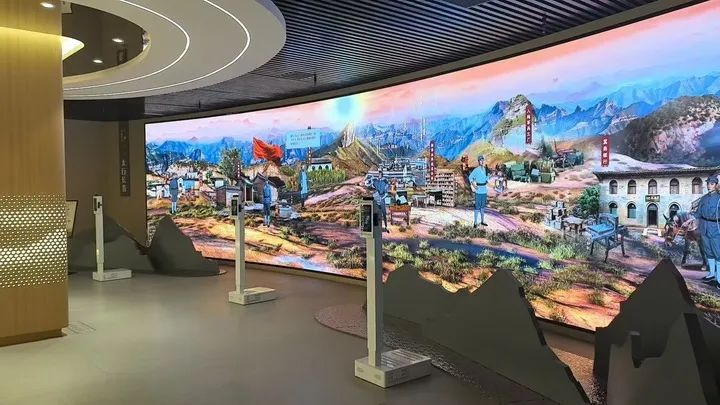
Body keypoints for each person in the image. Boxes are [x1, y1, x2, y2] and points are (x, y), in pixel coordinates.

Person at [696, 175, 720, 288]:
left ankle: (719, 279)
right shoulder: (704, 199)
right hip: (704, 227)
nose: (709, 186)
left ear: (716, 185)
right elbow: (698, 213)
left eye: (711, 184)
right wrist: (689, 218)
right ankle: (711, 274)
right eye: (708, 184)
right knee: (708, 251)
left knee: (717, 253)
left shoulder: (719, 198)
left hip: (715, 228)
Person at [468, 155, 489, 227]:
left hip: (484, 191)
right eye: (480, 160)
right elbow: (470, 177)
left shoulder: (485, 169)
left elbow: (485, 179)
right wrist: (474, 185)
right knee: (477, 207)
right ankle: (475, 223)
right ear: (478, 161)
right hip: (478, 191)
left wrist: (489, 177)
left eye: (482, 160)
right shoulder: (476, 170)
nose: (482, 161)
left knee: (483, 207)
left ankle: (482, 221)